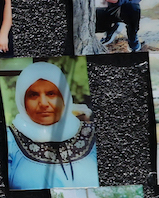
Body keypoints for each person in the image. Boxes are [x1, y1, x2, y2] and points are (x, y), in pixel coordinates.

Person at [6, 60, 97, 190]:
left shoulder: (92, 134)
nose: (43, 103)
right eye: (33, 95)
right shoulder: (9, 141)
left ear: (64, 98)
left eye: (51, 93)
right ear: (22, 101)